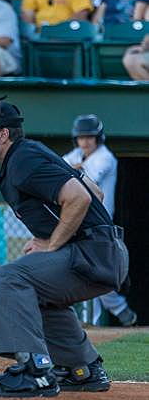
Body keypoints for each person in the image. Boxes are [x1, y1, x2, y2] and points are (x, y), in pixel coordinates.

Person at [0, 97, 128, 397]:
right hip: (104, 251)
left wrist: (53, 245)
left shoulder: (22, 158)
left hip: (95, 252)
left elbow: (82, 198)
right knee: (35, 290)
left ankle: (34, 370)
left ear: (3, 133)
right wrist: (56, 242)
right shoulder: (27, 155)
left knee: (9, 278)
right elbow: (95, 193)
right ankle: (81, 368)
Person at [62, 115, 138, 327]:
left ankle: (96, 321)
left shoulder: (106, 157)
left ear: (98, 138)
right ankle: (120, 311)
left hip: (101, 224)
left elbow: (87, 180)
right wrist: (74, 168)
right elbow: (61, 165)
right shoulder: (77, 154)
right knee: (90, 272)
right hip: (79, 220)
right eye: (81, 137)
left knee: (96, 272)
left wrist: (75, 170)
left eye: (90, 137)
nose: (85, 141)